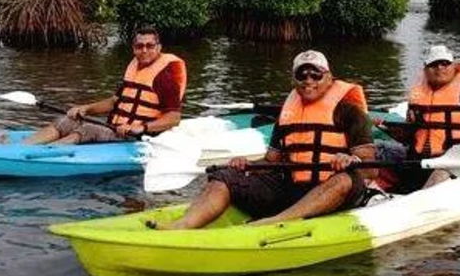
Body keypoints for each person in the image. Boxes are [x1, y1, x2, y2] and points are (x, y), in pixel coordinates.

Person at [155, 50, 381, 229]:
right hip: (292, 188)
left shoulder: (350, 112)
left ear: (329, 78)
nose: (308, 80)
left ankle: (278, 221)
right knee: (225, 176)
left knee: (343, 180)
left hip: (336, 189)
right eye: (302, 75)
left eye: (316, 74)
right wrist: (249, 165)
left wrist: (348, 159)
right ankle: (183, 225)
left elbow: (370, 170)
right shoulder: (288, 113)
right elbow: (272, 161)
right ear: (294, 79)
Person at [0, 26, 187, 144]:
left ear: (158, 47)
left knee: (89, 129)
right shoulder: (135, 68)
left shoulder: (165, 77)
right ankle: (20, 146)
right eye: (139, 46)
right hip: (115, 128)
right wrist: (85, 108)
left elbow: (174, 118)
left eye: (150, 46)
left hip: (138, 138)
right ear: (134, 48)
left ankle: (38, 154)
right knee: (67, 120)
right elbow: (114, 102)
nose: (144, 50)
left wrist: (140, 127)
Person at [378, 45, 460, 192]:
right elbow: (411, 136)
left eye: (445, 63)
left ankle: (420, 200)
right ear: (426, 69)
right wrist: (391, 130)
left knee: (441, 172)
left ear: (453, 68)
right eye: (434, 64)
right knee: (379, 149)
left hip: (451, 161)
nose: (440, 68)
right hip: (419, 158)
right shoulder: (416, 99)